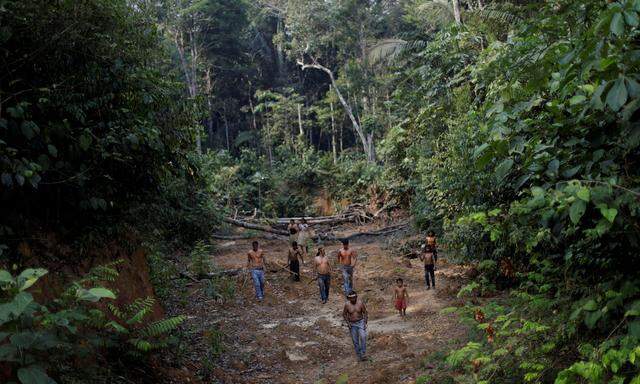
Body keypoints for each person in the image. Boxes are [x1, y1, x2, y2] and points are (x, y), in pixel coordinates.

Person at [343, 291, 368, 361]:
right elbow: (344, 314)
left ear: (356, 297)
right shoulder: (347, 305)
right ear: (349, 298)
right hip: (352, 324)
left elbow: (365, 312)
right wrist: (348, 323)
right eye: (351, 298)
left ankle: (363, 353)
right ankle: (358, 354)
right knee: (355, 340)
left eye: (354, 297)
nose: (353, 299)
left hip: (360, 322)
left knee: (363, 337)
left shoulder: (360, 303)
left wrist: (365, 322)